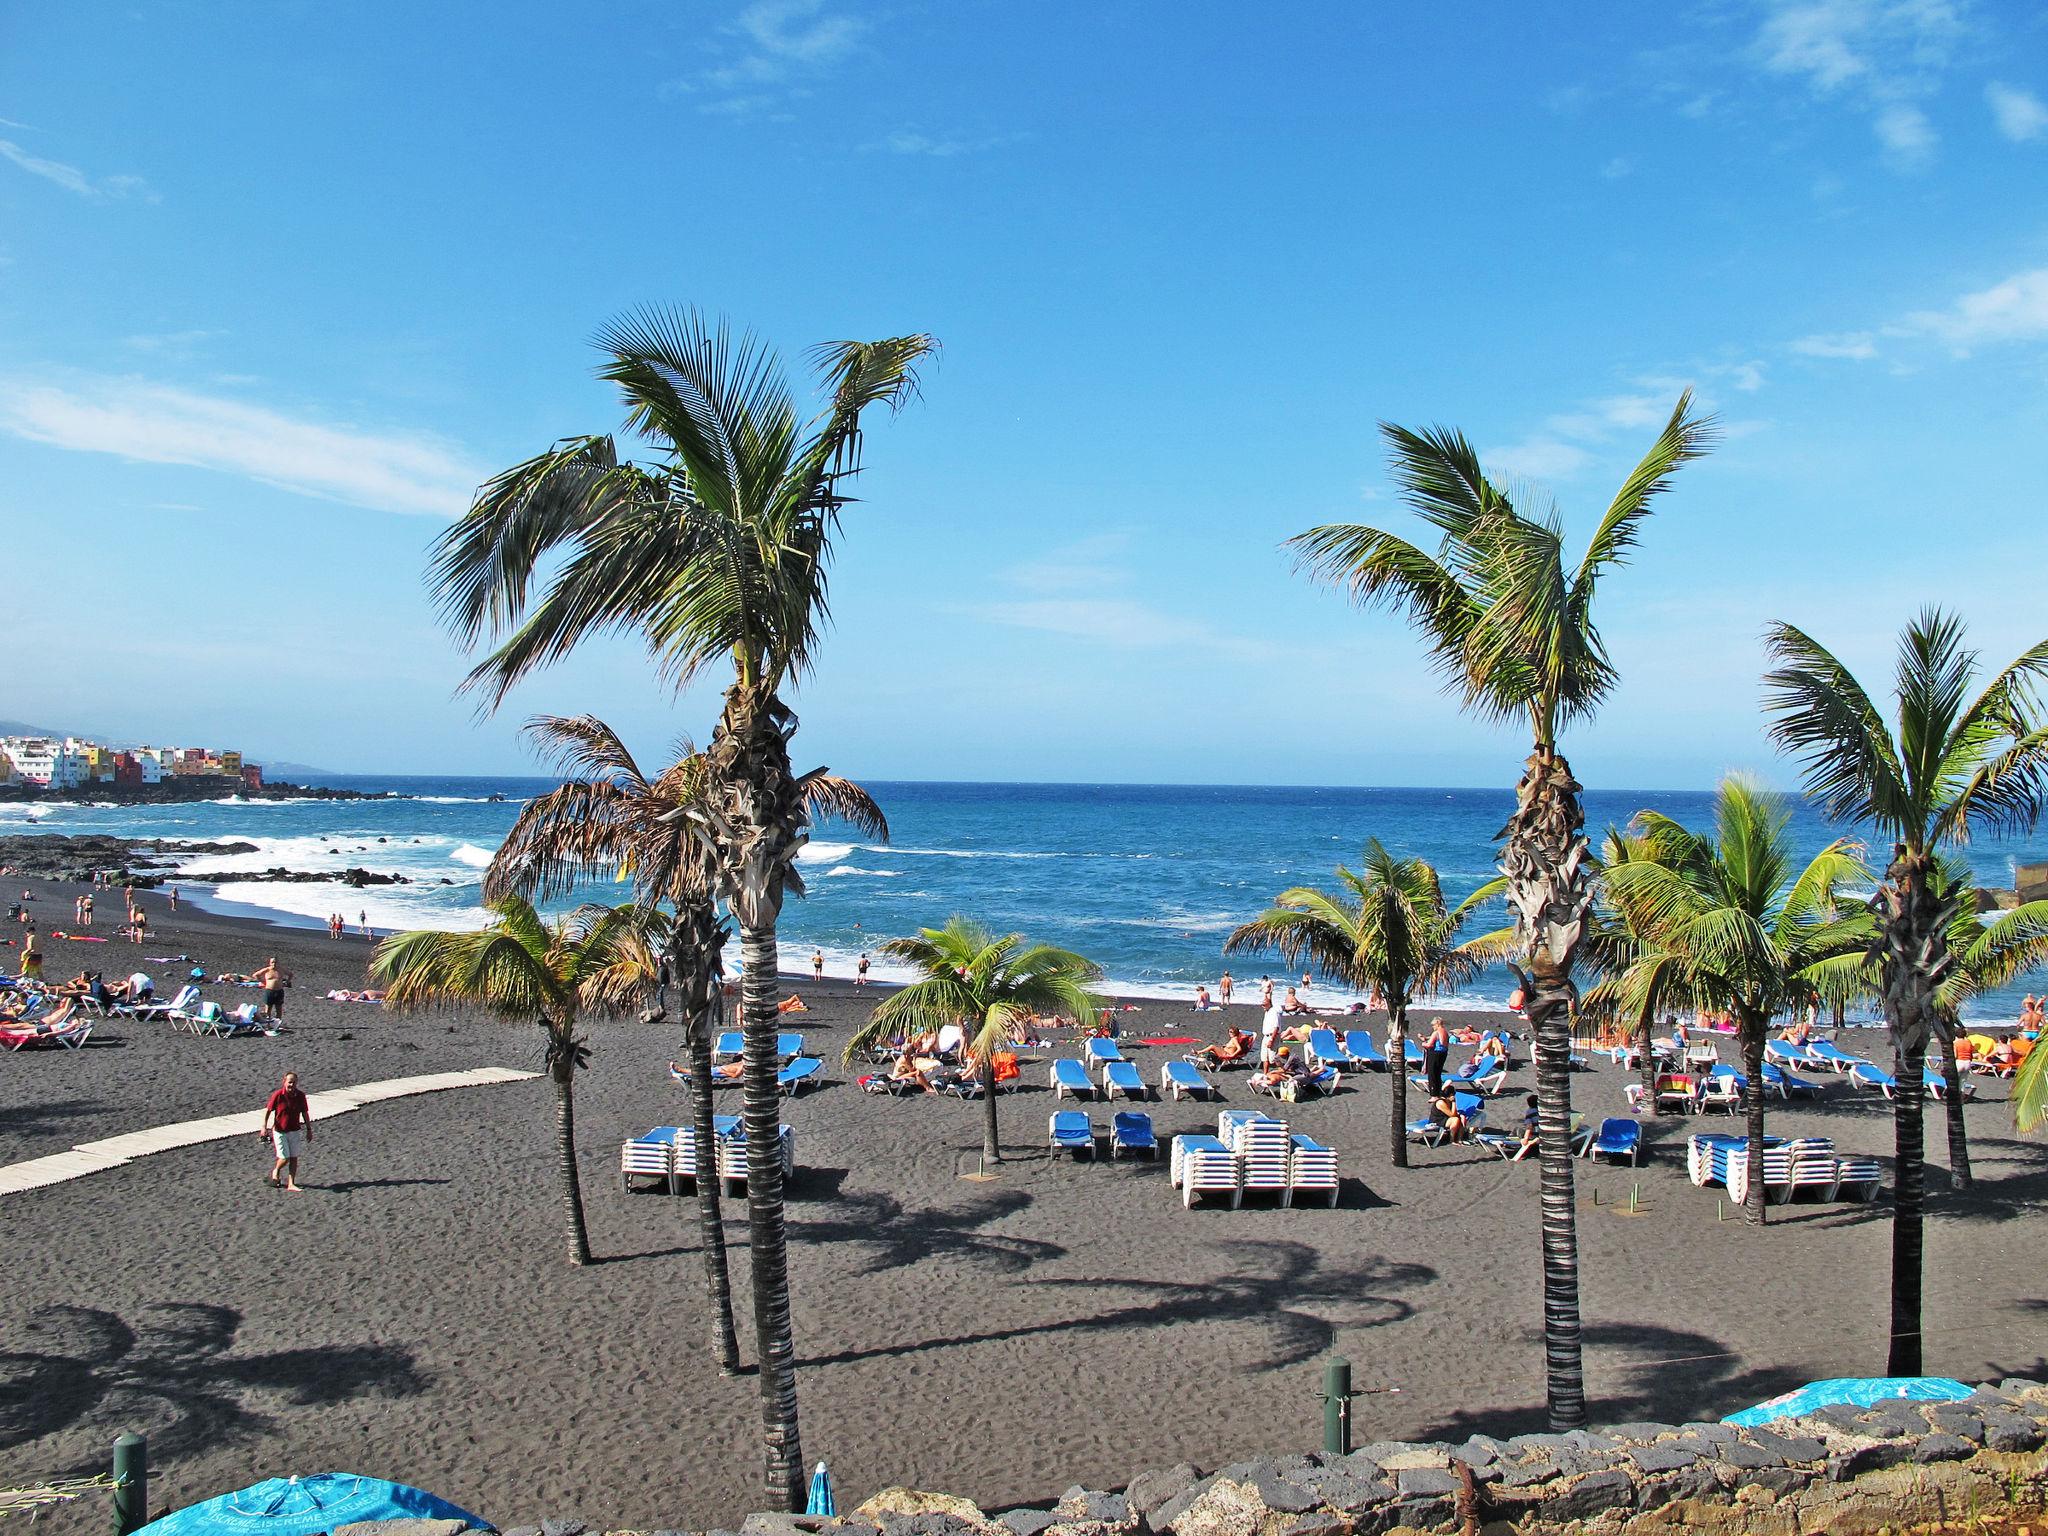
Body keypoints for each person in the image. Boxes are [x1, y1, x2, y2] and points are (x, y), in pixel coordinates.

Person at [262, 1071, 313, 1192]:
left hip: (294, 1130)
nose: (292, 1085)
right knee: (285, 1158)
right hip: (280, 1130)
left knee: (294, 1157)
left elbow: (304, 1113)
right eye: (290, 1082)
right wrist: (264, 1126)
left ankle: (291, 1183)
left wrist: (309, 1129)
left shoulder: (300, 1096)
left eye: (294, 1082)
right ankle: (276, 1171)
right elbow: (268, 1110)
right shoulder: (278, 1095)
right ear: (284, 1082)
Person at [254, 957, 292, 1024]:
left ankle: (277, 1024)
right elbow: (256, 975)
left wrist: (287, 982)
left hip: (279, 991)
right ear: (270, 963)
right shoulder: (267, 970)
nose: (274, 964)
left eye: (275, 962)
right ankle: (268, 1025)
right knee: (268, 1009)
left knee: (279, 1009)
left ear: (278, 963)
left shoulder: (281, 970)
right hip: (269, 991)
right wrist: (263, 982)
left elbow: (290, 974)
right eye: (272, 962)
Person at [1422, 1016, 1450, 1096]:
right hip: (1443, 1053)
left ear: (1437, 1024)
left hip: (1435, 1054)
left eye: (1433, 1025)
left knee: (1432, 1074)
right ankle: (1438, 1092)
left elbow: (1429, 1045)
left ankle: (1434, 1094)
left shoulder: (1436, 1032)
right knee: (1438, 1073)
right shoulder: (1445, 1032)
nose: (1433, 1027)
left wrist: (1423, 1044)